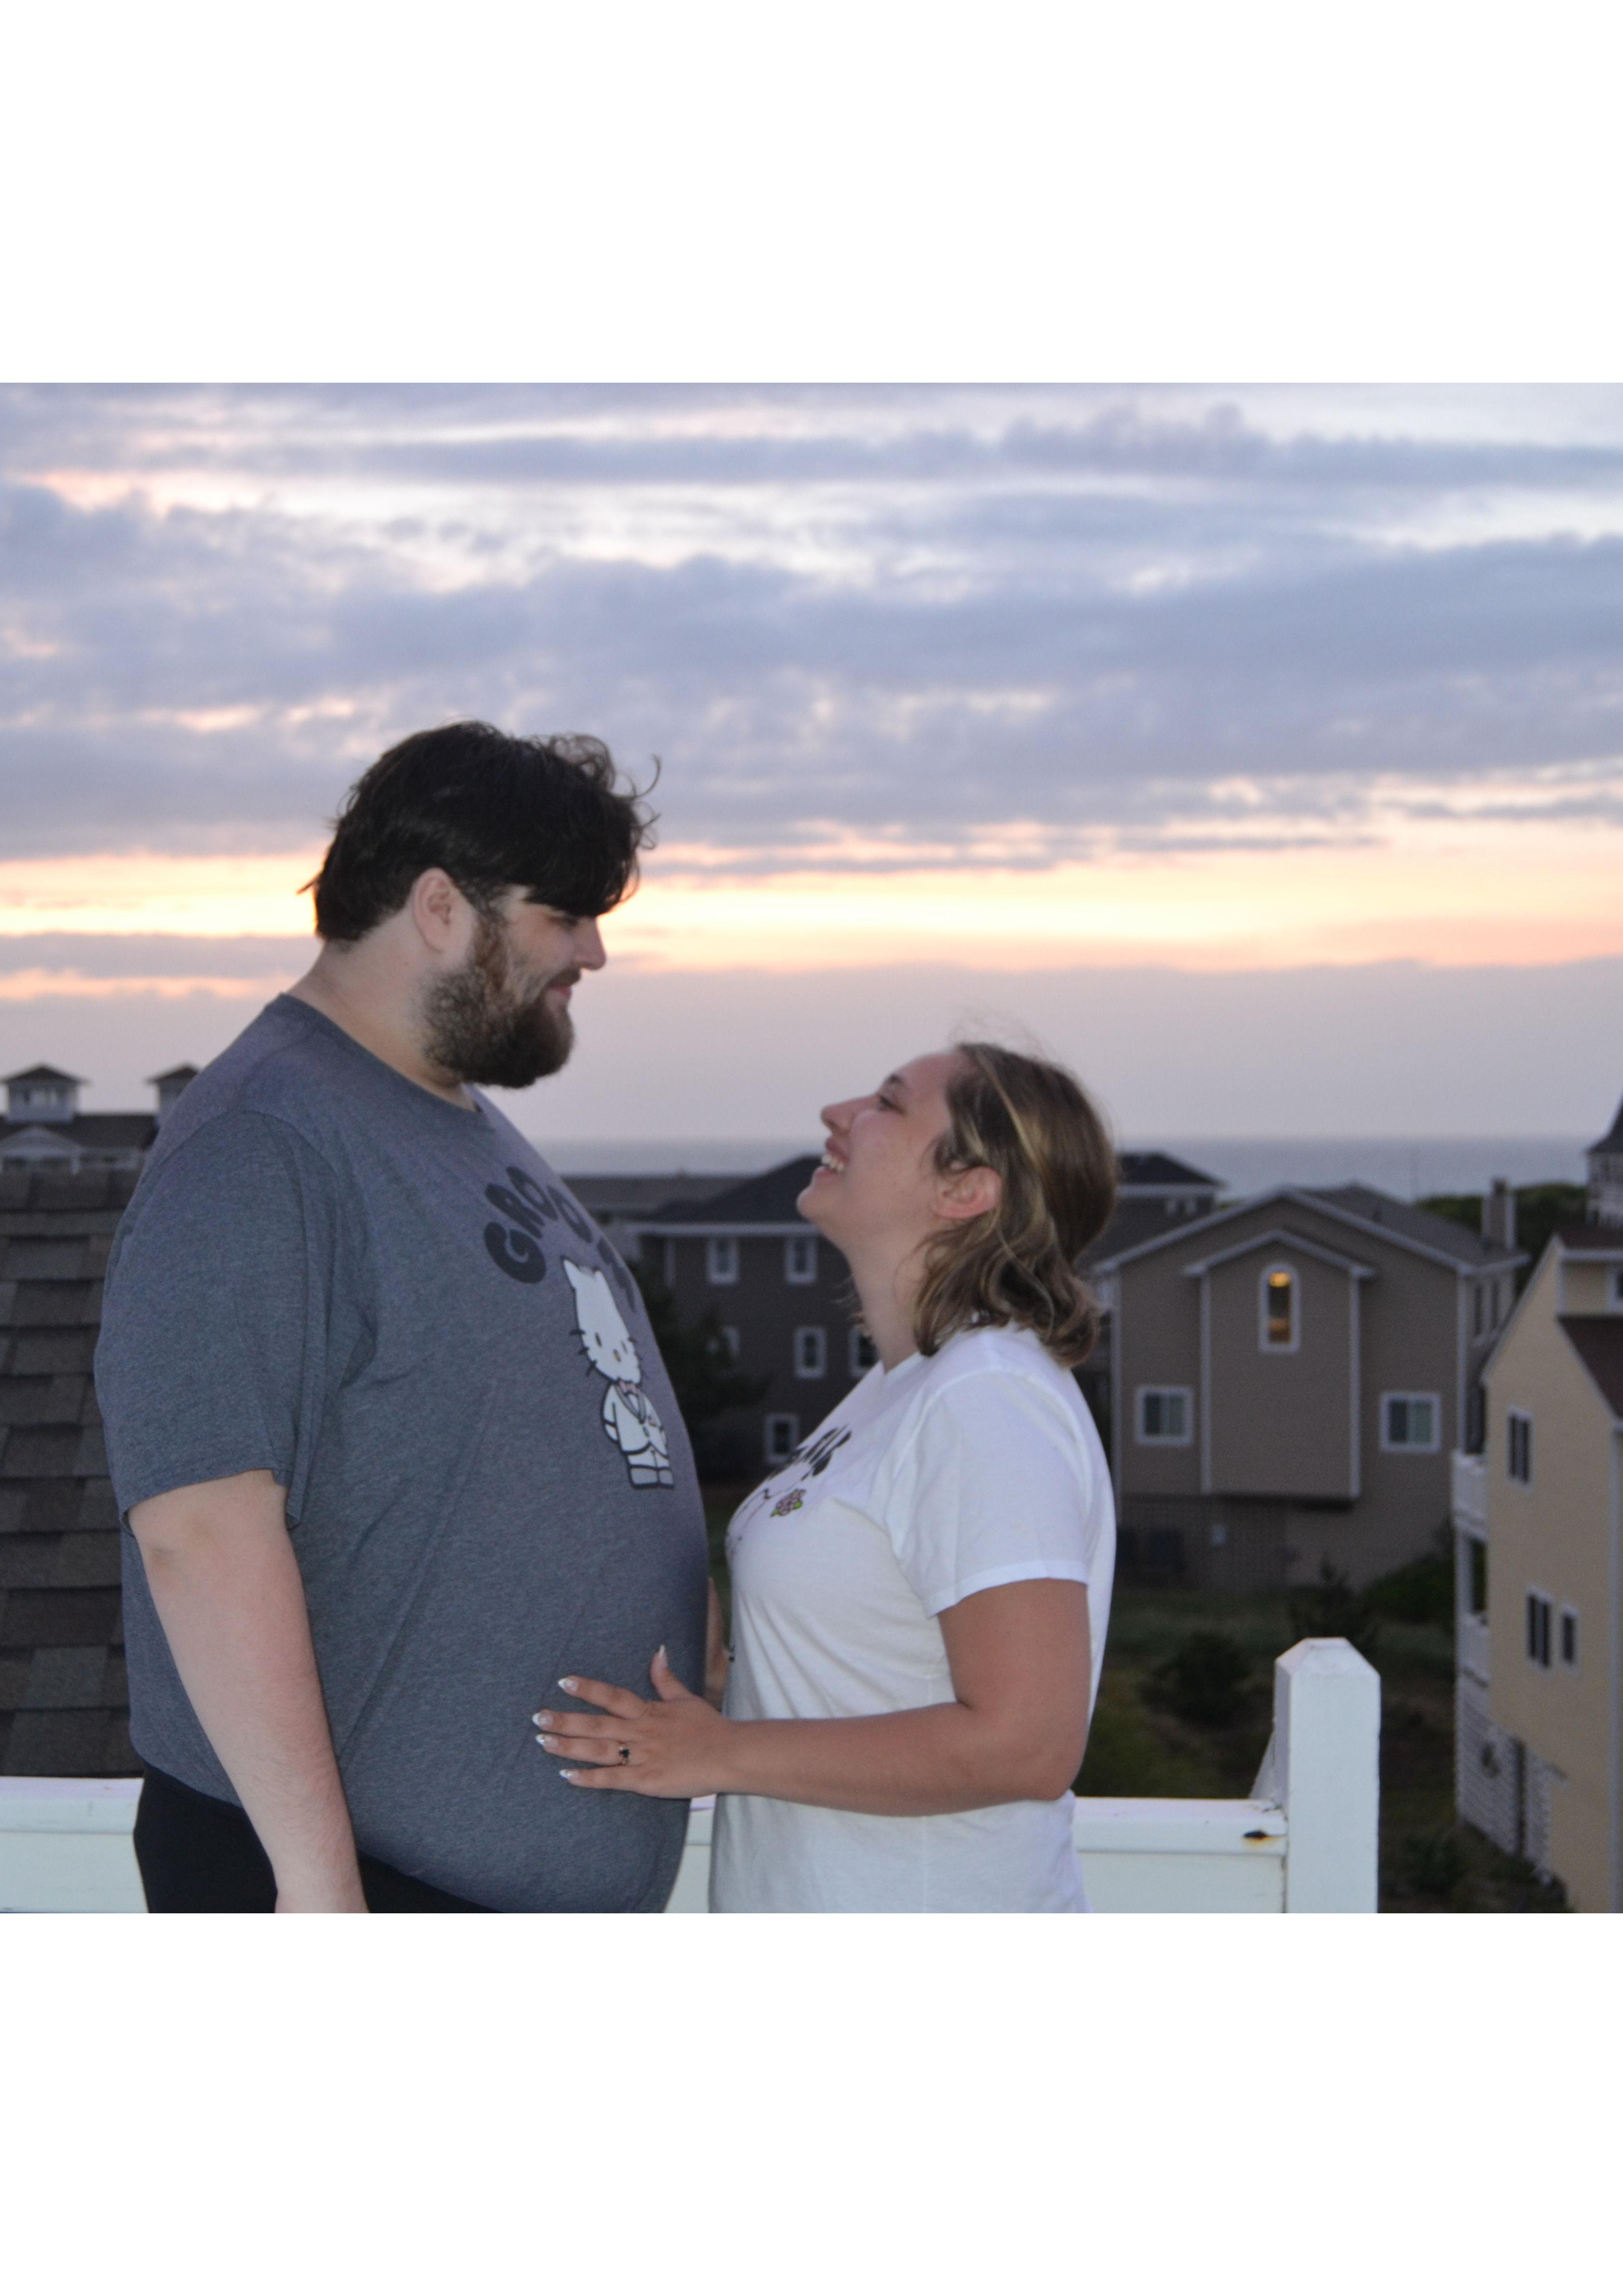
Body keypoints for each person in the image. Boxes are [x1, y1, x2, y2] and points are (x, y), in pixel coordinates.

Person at [96, 722, 709, 1912]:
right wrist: (319, 1888)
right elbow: (201, 1529)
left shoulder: (444, 1119)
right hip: (355, 1893)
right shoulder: (263, 1143)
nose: (593, 950)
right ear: (440, 908)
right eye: (566, 913)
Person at [531, 1041, 1118, 1911]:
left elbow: (1026, 1744)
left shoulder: (985, 1396)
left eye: (888, 1103)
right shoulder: (903, 1388)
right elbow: (870, 1666)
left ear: (965, 1190)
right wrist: (730, 1678)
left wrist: (718, 1752)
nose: (838, 1113)